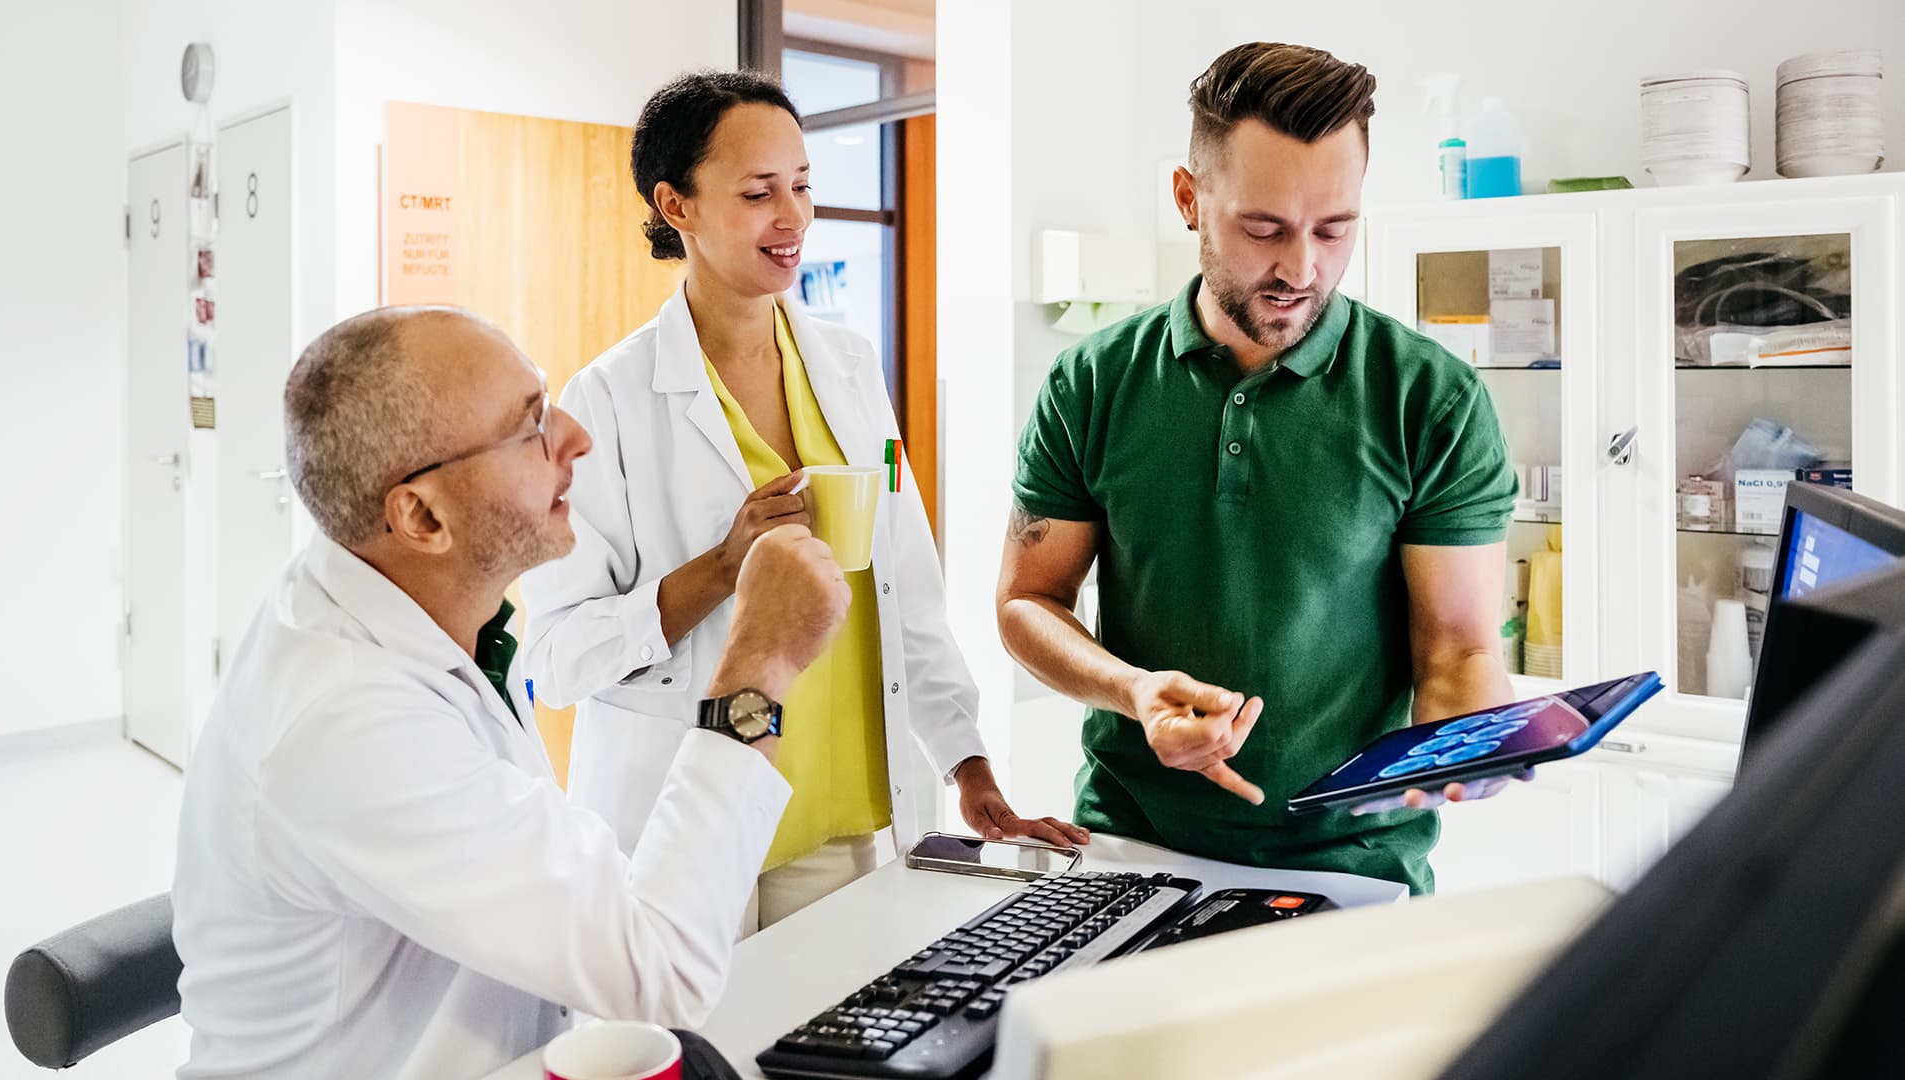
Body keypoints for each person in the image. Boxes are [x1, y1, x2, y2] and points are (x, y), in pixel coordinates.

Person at [172, 306, 851, 1079]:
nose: (576, 438)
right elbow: (658, 976)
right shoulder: (344, 722)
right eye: (529, 427)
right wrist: (760, 663)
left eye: (547, 399)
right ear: (421, 515)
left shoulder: (426, 607)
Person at [522, 70, 1083, 930]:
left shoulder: (852, 368)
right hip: (687, 822)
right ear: (678, 206)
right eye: (758, 193)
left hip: (850, 816)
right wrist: (719, 569)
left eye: (803, 185)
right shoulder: (608, 400)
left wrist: (967, 763)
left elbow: (907, 584)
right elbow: (559, 658)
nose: (793, 217)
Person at [996, 42, 1521, 896]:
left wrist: (1473, 735)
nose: (1300, 269)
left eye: (1334, 228)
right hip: (1131, 852)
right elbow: (1027, 601)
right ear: (1188, 200)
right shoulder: (1092, 382)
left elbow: (1457, 646)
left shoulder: (1432, 397)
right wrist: (1135, 693)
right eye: (1263, 228)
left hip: (1353, 868)